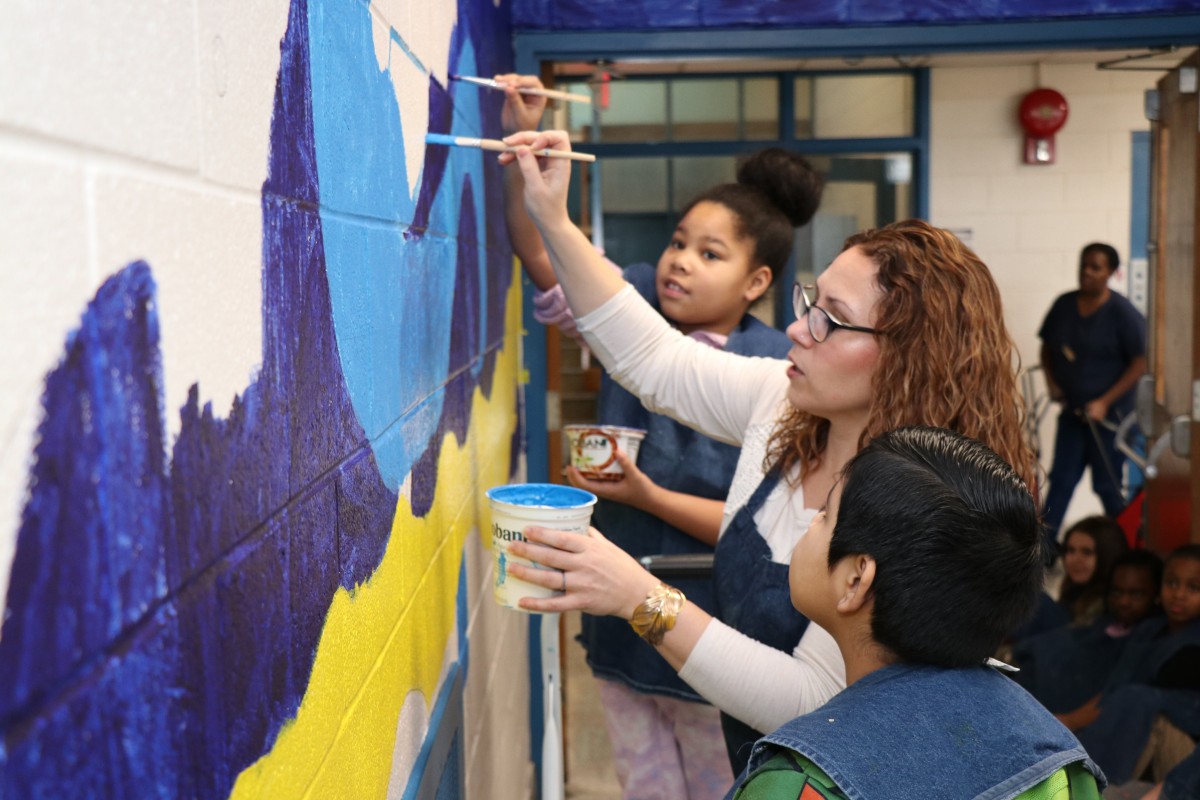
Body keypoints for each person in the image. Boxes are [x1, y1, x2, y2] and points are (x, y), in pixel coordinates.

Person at [496, 129, 1035, 772]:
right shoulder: (786, 405)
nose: (794, 330)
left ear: (907, 359)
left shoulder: (917, 509)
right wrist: (552, 215)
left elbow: (811, 700)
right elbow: (653, 360)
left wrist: (638, 594)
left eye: (830, 319)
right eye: (811, 301)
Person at [497, 74, 817, 799]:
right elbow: (543, 253)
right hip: (619, 630)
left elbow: (759, 526)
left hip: (719, 636)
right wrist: (528, 172)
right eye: (678, 242)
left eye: (710, 254)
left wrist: (647, 493)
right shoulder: (631, 301)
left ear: (756, 280)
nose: (679, 262)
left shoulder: (777, 369)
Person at [727, 426, 1105, 799]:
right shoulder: (1059, 762)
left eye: (826, 513)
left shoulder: (803, 785)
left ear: (857, 579)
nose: (812, 522)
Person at [1039, 243, 1147, 548]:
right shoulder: (1063, 305)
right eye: (1084, 264)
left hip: (1109, 420)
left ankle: (1129, 551)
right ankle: (1042, 555)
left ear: (1111, 273)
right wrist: (1053, 382)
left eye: (1096, 267)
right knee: (1059, 484)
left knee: (1107, 487)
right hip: (1074, 416)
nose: (1087, 272)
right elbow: (1047, 347)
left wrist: (1105, 401)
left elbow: (1141, 362)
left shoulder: (1122, 313)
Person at [1067, 545, 1200, 786]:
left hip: (1186, 758)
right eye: (1171, 583)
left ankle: (1099, 785)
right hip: (1135, 734)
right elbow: (1114, 689)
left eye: (1193, 588)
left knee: (1141, 701)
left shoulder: (1194, 647)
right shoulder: (1149, 631)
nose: (1179, 594)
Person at [1013, 548, 1163, 714]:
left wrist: (1068, 721)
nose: (1124, 601)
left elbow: (1113, 692)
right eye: (1117, 592)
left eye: (1136, 595)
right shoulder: (1103, 622)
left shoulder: (1151, 634)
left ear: (1157, 595)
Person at [1058, 515, 1130, 625]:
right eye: (1071, 550)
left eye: (1087, 552)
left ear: (1107, 556)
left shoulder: (1110, 604)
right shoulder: (1071, 590)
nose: (1075, 560)